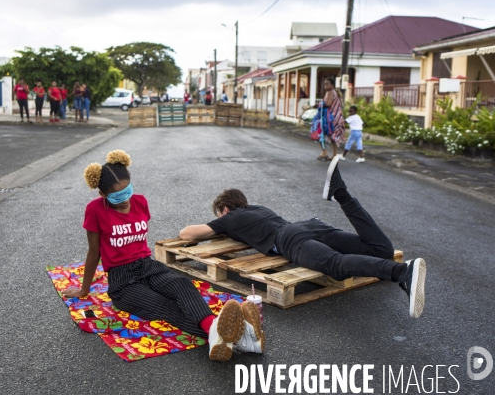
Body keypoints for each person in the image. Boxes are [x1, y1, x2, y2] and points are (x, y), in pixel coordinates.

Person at [61, 150, 266, 362]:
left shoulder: (140, 202)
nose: (125, 201)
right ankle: (242, 338)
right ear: (102, 195)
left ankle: (223, 336)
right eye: (117, 197)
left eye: (127, 191)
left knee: (182, 285)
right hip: (122, 281)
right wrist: (84, 289)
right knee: (163, 306)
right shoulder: (94, 210)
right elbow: (94, 253)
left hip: (148, 266)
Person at [179, 156, 427, 319]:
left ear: (224, 209)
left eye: (219, 213)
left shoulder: (230, 218)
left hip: (288, 239)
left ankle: (402, 272)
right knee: (381, 249)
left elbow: (186, 233)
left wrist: (219, 226)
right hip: (309, 226)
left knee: (335, 266)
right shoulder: (258, 209)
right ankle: (340, 192)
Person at [312, 78, 345, 161]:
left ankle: (326, 153)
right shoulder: (331, 92)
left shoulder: (330, 92)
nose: (325, 86)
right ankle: (329, 154)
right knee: (329, 135)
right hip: (332, 117)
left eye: (327, 84)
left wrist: (318, 105)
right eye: (324, 84)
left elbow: (328, 104)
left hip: (332, 118)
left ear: (332, 85)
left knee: (323, 133)